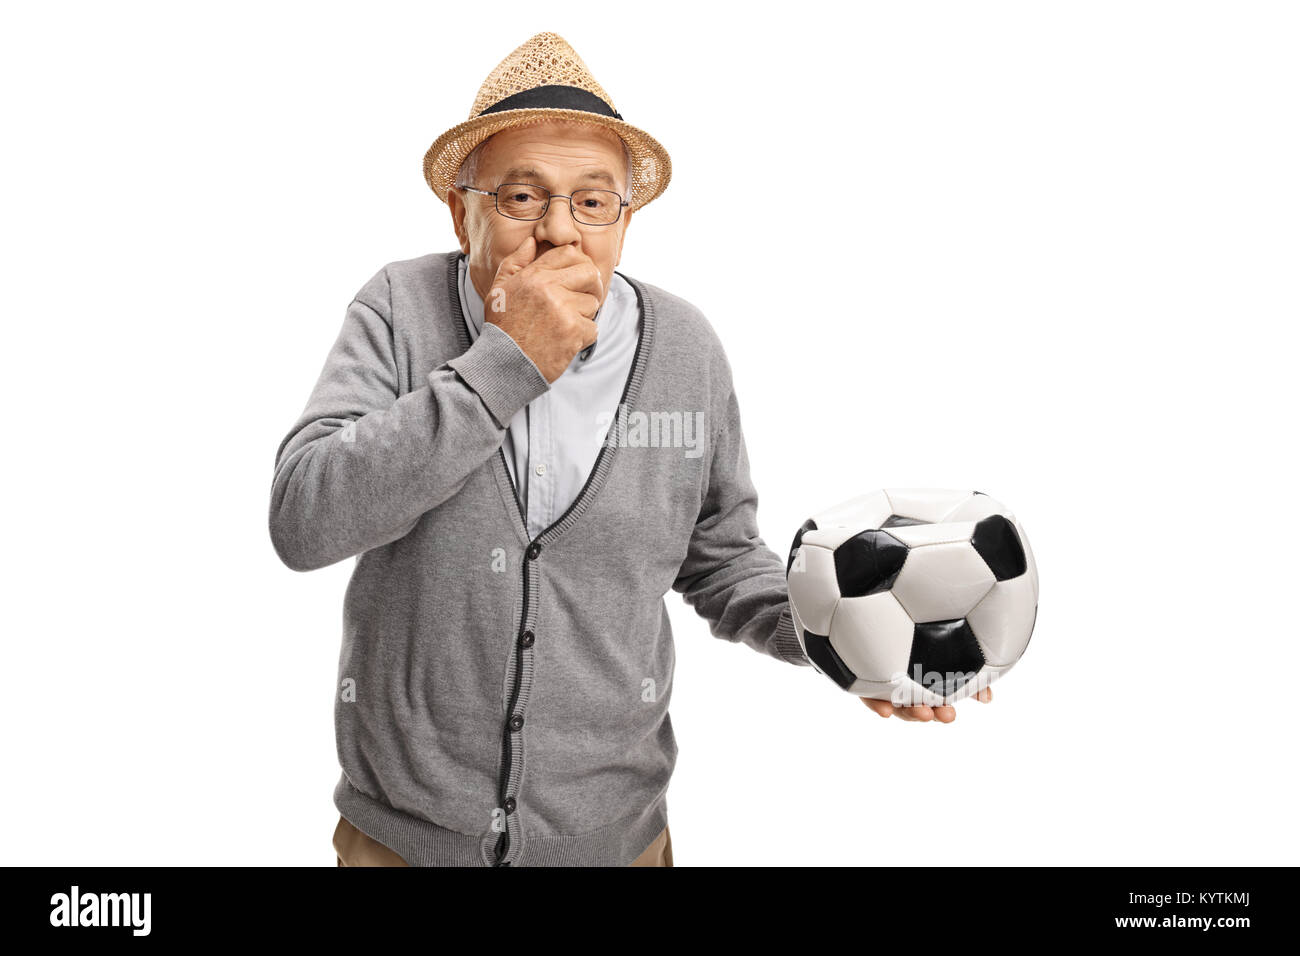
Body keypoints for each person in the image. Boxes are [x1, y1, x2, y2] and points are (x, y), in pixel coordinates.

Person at [269, 31, 988, 868]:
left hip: (615, 842)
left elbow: (719, 559)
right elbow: (304, 519)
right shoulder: (399, 306)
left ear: (625, 220)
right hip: (402, 842)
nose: (560, 233)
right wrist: (507, 362)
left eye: (593, 201)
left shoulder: (684, 347)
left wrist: (851, 640)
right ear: (459, 211)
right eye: (521, 198)